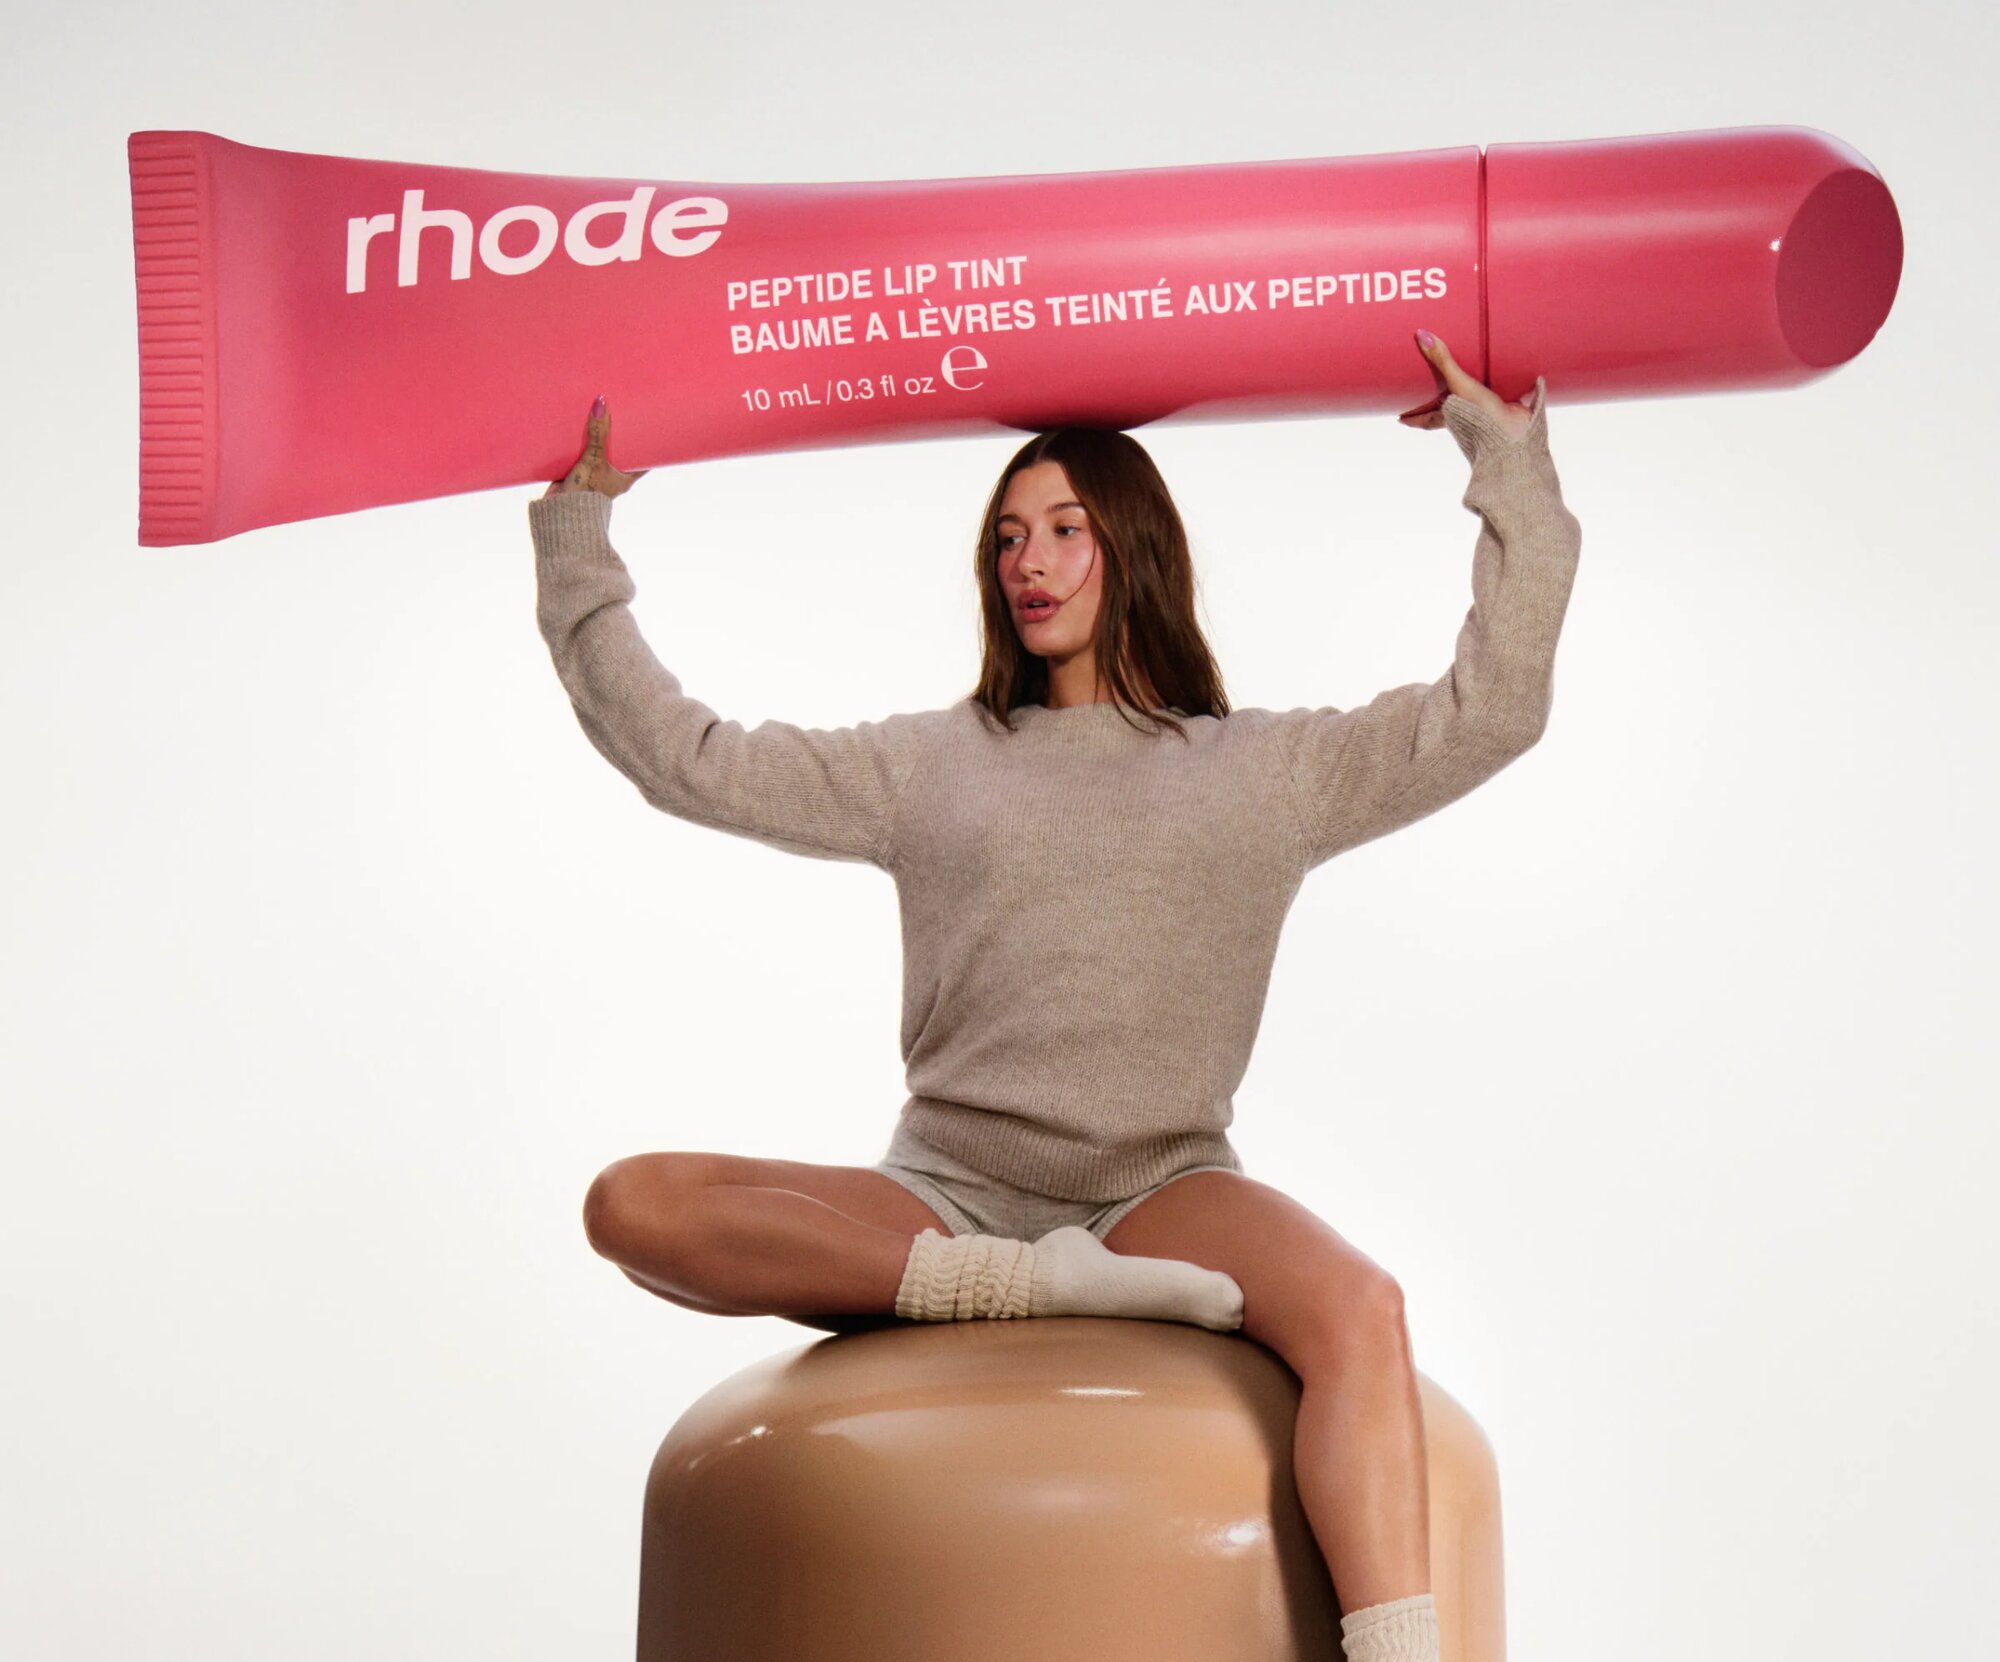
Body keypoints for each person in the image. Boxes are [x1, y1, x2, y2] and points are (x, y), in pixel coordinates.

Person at [530, 328, 1580, 1662]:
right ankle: (1021, 1283)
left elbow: (1494, 708)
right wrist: (579, 543)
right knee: (631, 1205)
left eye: (1065, 530)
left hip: (1162, 1185)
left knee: (1362, 1307)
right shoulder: (936, 764)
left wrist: (1510, 471)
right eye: (1008, 538)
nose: (1028, 563)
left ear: (1134, 546)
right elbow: (687, 760)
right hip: (946, 1190)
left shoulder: (1266, 773)